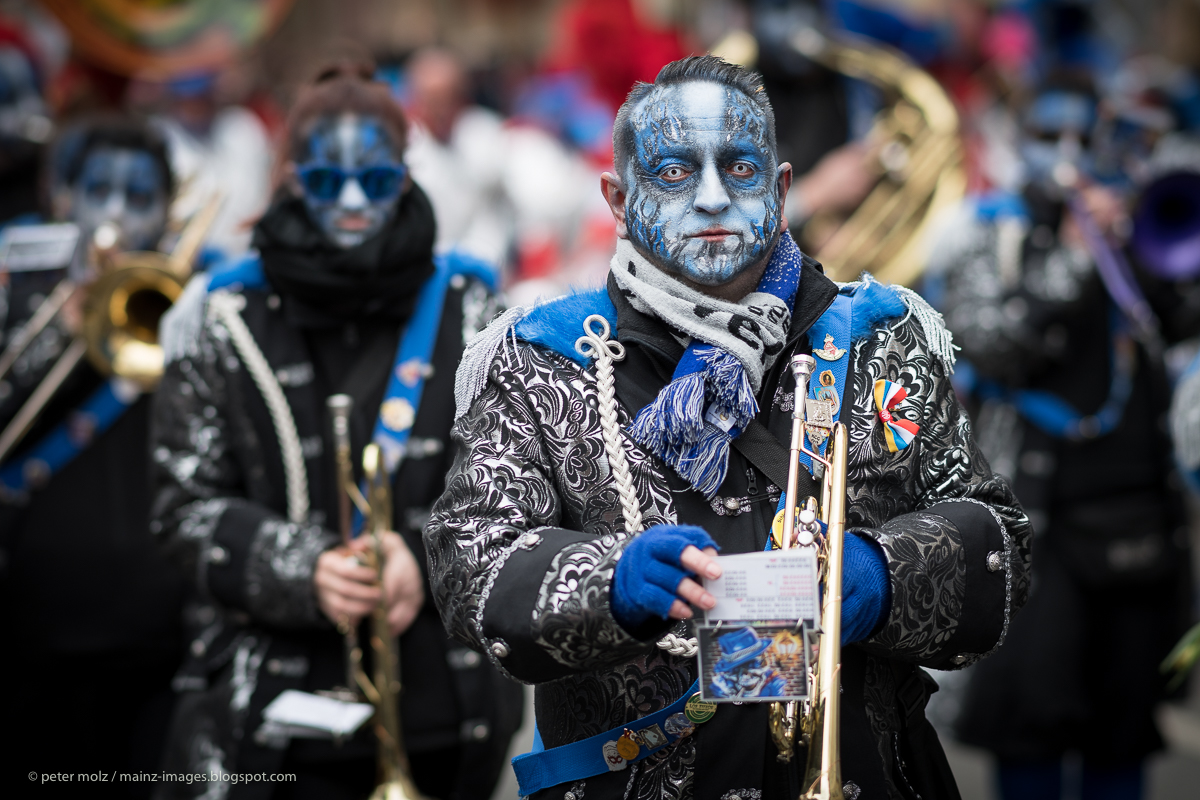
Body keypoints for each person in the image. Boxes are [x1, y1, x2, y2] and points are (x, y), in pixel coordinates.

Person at [425, 55, 1030, 800]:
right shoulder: (538, 358)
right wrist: (610, 583)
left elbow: (1000, 542)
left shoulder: (884, 335)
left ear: (778, 190)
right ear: (618, 199)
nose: (713, 197)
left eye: (739, 169)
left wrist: (876, 576)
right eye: (675, 173)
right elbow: (468, 567)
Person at [150, 59, 522, 800]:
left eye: (376, 181)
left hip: (450, 714)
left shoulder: (475, 303)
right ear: (291, 177)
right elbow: (179, 507)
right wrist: (301, 566)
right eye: (326, 182)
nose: (352, 202)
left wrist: (430, 555)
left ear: (404, 175)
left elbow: (517, 484)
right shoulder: (218, 315)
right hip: (270, 717)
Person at [934, 83, 1197, 800]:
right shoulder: (991, 232)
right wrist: (1076, 258)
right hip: (1038, 535)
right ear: (1024, 140)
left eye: (1088, 139)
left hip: (1139, 526)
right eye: (1053, 136)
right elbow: (985, 342)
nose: (1071, 157)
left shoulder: (1136, 229)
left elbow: (1179, 325)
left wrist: (1140, 238)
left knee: (1122, 733)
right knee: (1033, 727)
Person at [0, 116, 184, 795]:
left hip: (157, 641)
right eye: (98, 191)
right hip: (34, 637)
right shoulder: (14, 298)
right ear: (62, 199)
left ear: (167, 212)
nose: (115, 214)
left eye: (139, 198)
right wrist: (60, 333)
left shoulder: (188, 305)